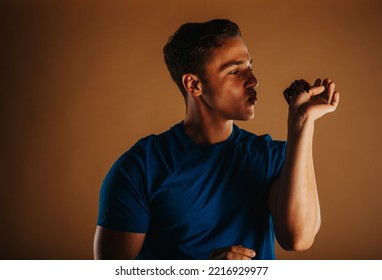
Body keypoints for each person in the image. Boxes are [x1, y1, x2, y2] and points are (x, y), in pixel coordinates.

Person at [93, 19, 340, 260]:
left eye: (250, 67)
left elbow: (298, 239)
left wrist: (301, 124)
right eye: (235, 71)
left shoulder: (273, 156)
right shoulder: (139, 168)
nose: (253, 81)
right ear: (194, 84)